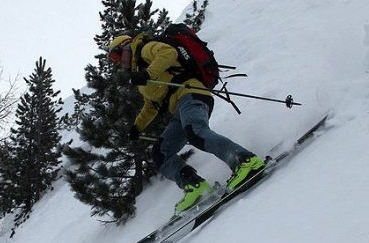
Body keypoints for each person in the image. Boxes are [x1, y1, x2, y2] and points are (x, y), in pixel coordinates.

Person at [107, 33, 266, 214]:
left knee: (196, 132)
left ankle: (245, 161)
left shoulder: (144, 48)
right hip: (180, 108)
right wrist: (137, 127)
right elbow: (151, 106)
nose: (117, 62)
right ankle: (196, 187)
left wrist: (148, 73)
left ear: (126, 47)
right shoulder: (139, 75)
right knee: (160, 152)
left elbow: (168, 53)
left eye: (116, 56)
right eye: (113, 60)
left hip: (191, 93)